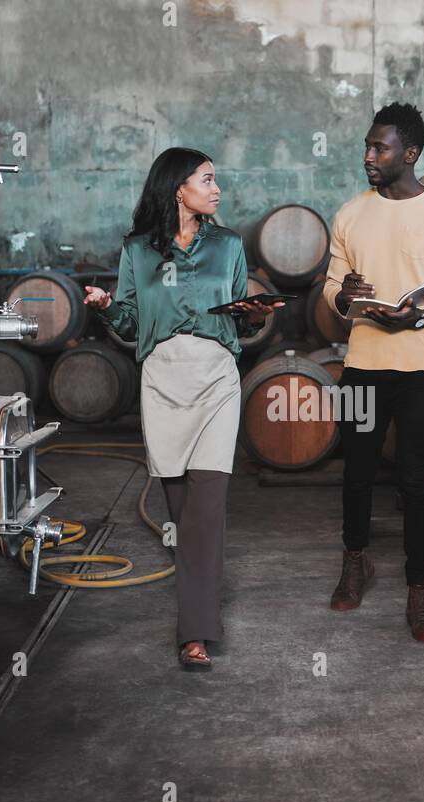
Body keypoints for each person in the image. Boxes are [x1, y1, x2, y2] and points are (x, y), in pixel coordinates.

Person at [84, 147, 283, 669]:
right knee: (181, 515)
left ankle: (193, 633)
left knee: (207, 509)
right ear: (178, 188)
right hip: (164, 381)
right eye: (207, 180)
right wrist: (108, 308)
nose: (217, 189)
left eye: (216, 181)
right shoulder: (138, 251)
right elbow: (129, 322)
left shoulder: (229, 246)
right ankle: (196, 610)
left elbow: (240, 318)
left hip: (217, 377)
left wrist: (252, 314)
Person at [321, 103, 424, 642]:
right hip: (362, 365)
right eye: (367, 146)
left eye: (379, 148)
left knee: (414, 480)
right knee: (357, 474)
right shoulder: (349, 214)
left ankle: (420, 587)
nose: (368, 156)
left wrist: (417, 317)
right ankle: (355, 561)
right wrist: (343, 296)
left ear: (409, 154)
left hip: (419, 370)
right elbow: (331, 288)